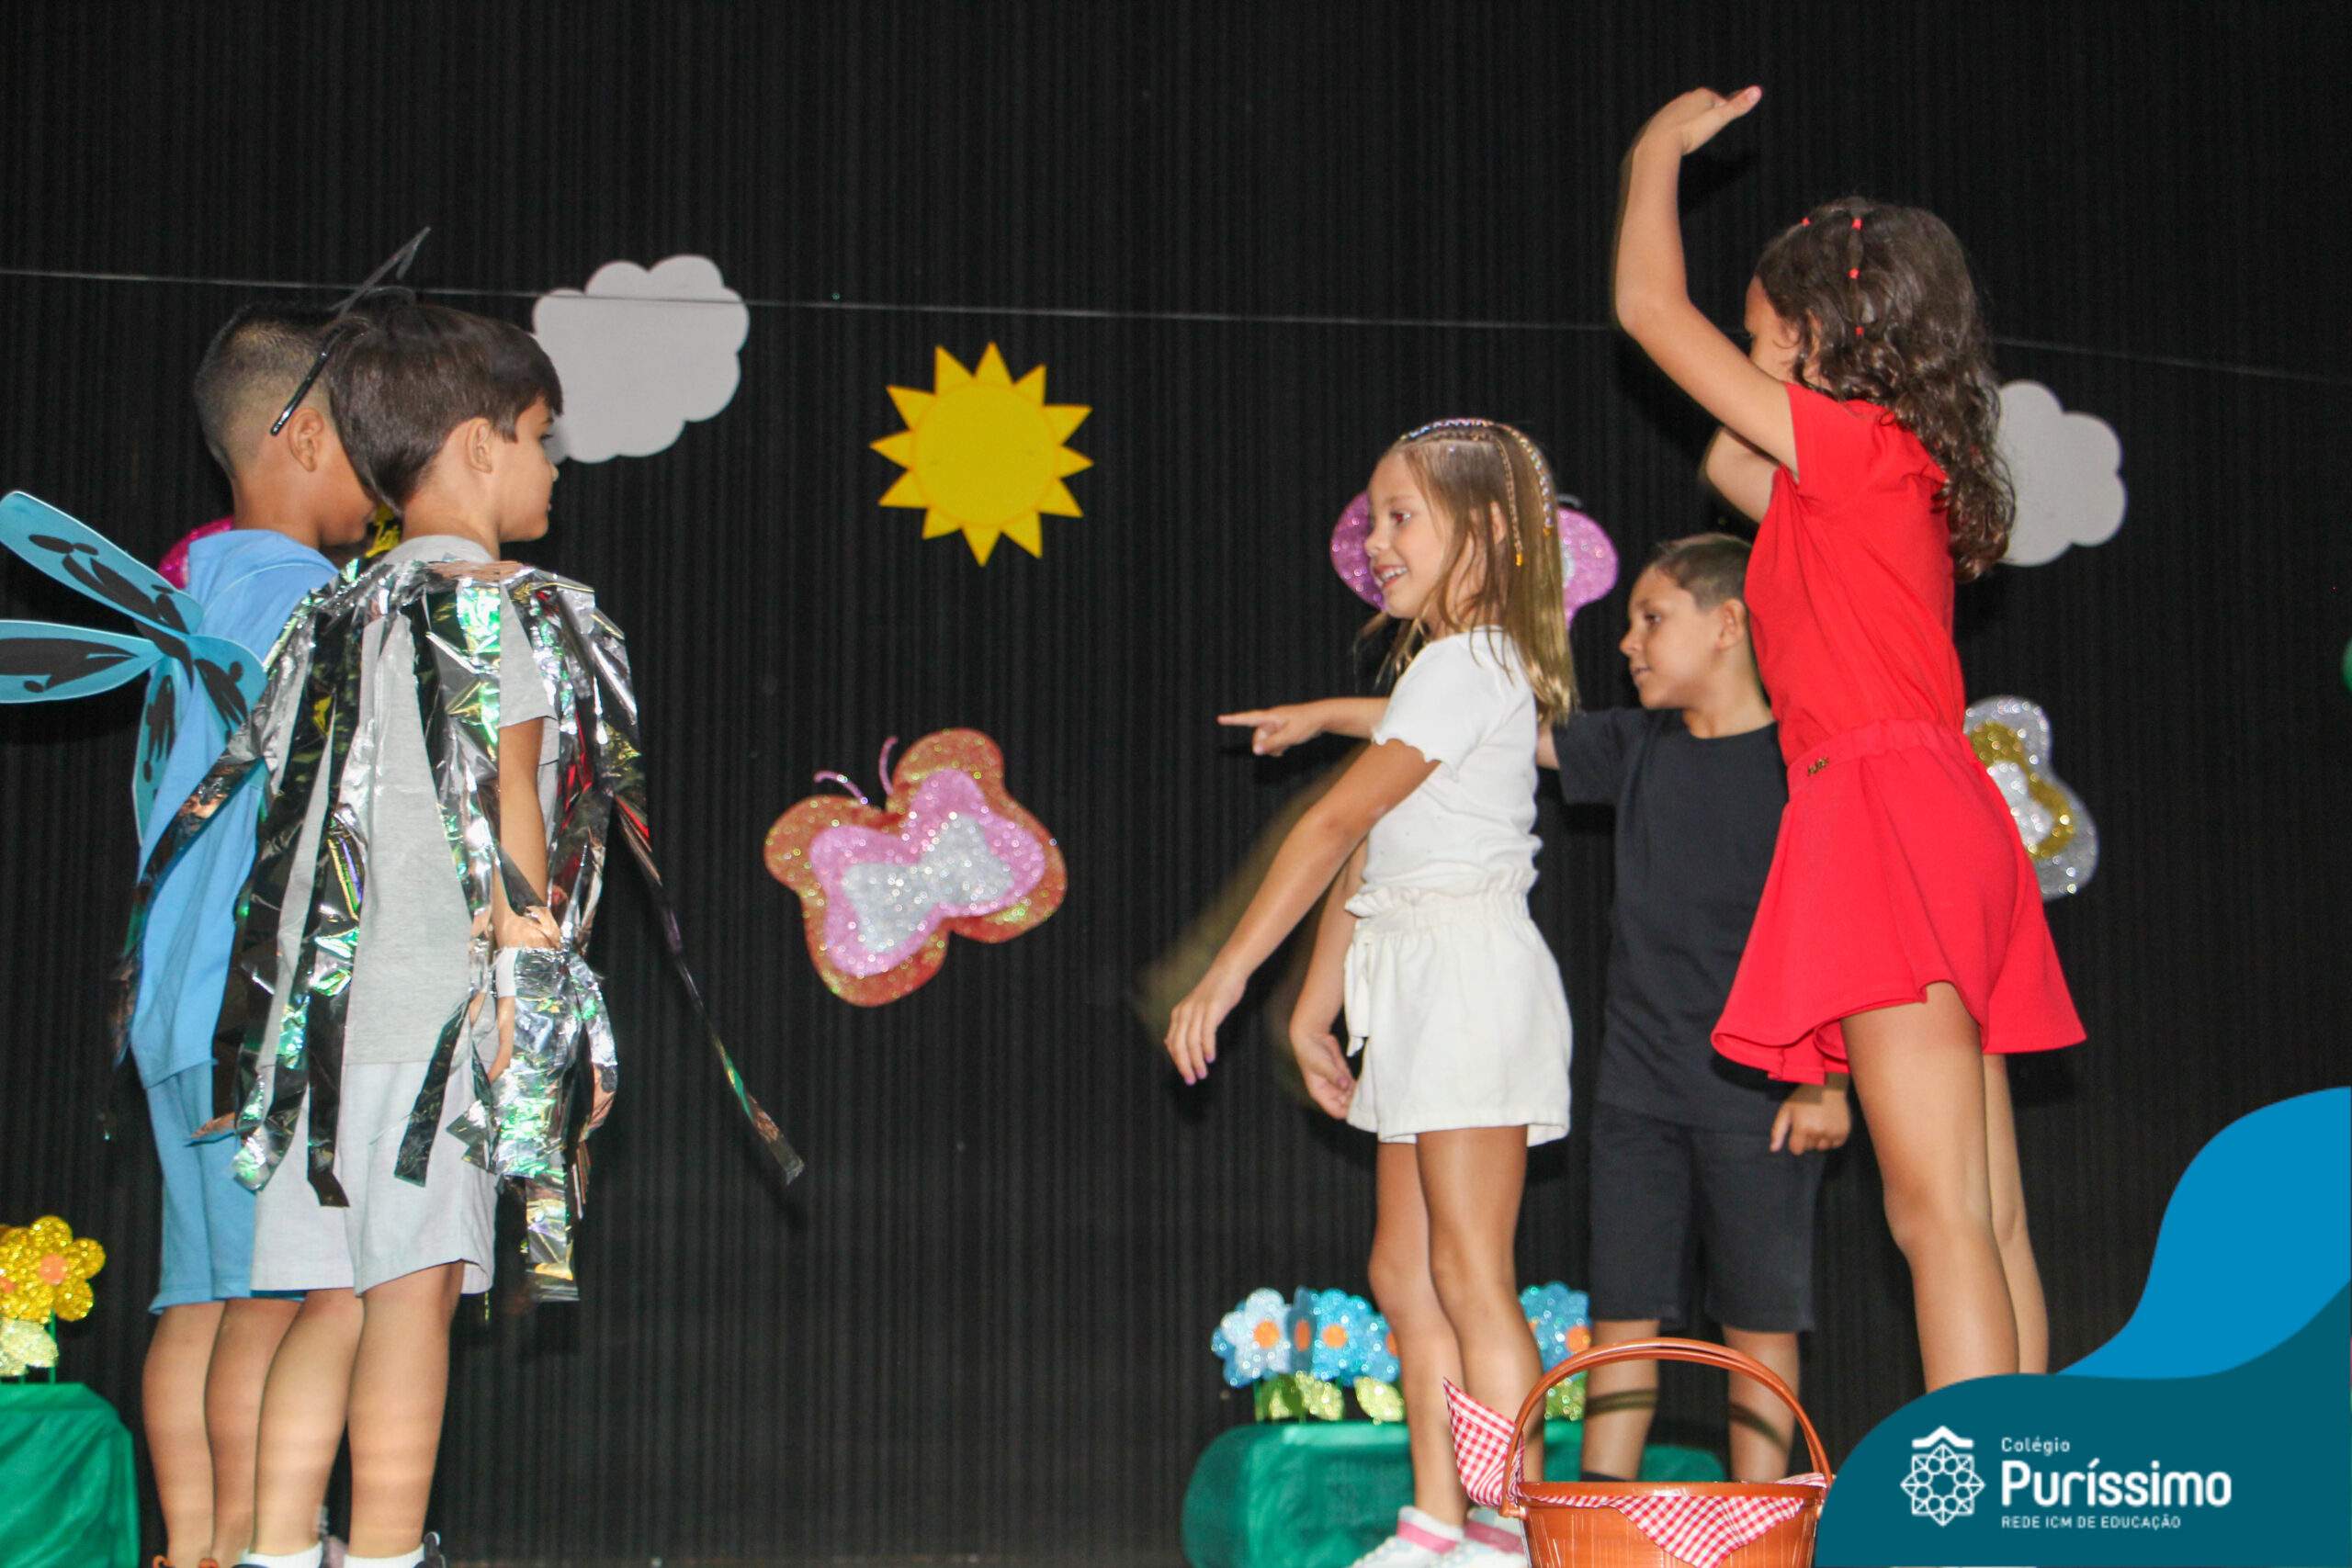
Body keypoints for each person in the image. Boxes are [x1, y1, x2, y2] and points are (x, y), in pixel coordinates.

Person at [1611, 85, 2083, 1391]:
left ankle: (1973, 1492)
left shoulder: (1858, 446)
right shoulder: (1879, 469)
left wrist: (1655, 155)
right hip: (1940, 809)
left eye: (1761, 333)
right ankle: (2021, 1472)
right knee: (1983, 1211)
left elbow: (1648, 312)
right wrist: (1778, 352)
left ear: (1819, 336)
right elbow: (1726, 467)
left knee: (1934, 1214)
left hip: (1880, 809)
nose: (1744, 356)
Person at [1227, 533, 1849, 1483]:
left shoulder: (1799, 766)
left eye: (1652, 619)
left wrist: (1824, 1079)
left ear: (1729, 624)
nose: (1628, 642)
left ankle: (1765, 1519)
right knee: (1625, 1310)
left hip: (1761, 1088)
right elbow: (1459, 725)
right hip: (1638, 1086)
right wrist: (1325, 716)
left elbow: (1831, 924)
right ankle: (1594, 1513)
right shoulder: (1636, 745)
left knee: (1757, 1317)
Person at [1169, 420, 1575, 1568]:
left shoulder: (1470, 661)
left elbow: (1332, 819)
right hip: (1414, 976)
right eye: (1372, 519)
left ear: (1483, 532)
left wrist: (1228, 973)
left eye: (1402, 516)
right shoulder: (1440, 675)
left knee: (1470, 1274)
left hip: (1466, 976)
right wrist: (1314, 1007)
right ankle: (1441, 1522)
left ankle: (1512, 1528)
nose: (1376, 541)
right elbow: (1370, 854)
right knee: (1405, 1270)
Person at [225, 301, 572, 1568]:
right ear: (481, 444)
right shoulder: (498, 608)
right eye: (541, 436)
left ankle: (275, 1550)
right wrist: (531, 995)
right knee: (415, 1298)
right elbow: (511, 806)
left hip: (317, 1033)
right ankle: (380, 1551)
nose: (553, 466)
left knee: (331, 1295)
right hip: (431, 1013)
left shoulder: (328, 615)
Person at [130, 302, 376, 1568]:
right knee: (279, 1301)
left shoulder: (193, 589)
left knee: (202, 1297)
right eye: (366, 436)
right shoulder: (309, 595)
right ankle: (241, 1547)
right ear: (307, 436)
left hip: (173, 1002)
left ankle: (194, 1547)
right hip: (252, 1004)